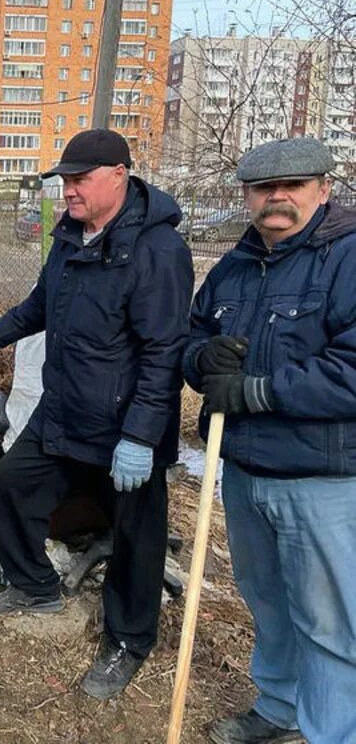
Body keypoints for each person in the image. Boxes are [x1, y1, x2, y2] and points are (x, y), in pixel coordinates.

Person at [0, 129, 193, 699]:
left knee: (135, 536)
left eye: (81, 179)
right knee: (10, 484)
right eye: (65, 180)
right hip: (64, 408)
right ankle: (35, 585)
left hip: (125, 425)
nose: (69, 190)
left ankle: (128, 642)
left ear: (119, 175)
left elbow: (164, 352)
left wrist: (141, 437)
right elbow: (40, 305)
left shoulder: (158, 250)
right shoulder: (69, 237)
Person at [185, 137, 356, 744]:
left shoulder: (347, 258)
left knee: (329, 620)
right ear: (248, 196)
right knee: (268, 601)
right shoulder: (234, 267)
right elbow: (191, 339)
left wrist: (257, 391)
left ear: (324, 189)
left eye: (293, 186)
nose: (276, 198)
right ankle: (280, 707)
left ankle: (332, 731)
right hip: (243, 470)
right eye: (263, 188)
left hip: (320, 479)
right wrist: (201, 359)